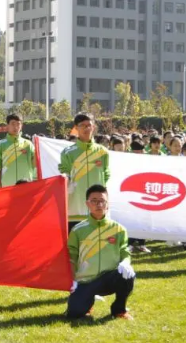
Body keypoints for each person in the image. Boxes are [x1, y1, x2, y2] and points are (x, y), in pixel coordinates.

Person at [66, 185, 135, 320]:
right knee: (73, 314)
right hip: (86, 280)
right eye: (94, 200)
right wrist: (72, 280)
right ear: (87, 204)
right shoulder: (77, 230)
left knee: (127, 276)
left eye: (102, 201)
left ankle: (119, 310)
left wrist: (126, 263)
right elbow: (71, 256)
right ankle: (87, 303)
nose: (99, 204)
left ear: (107, 204)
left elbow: (124, 251)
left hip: (109, 278)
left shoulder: (118, 229)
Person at [59, 113, 110, 224]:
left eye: (89, 125)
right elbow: (64, 175)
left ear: (93, 127)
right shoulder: (68, 153)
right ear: (76, 128)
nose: (87, 128)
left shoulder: (103, 152)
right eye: (83, 125)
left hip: (98, 208)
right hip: (75, 206)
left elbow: (106, 175)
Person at [0, 114, 36, 188]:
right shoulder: (0, 145)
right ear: (7, 126)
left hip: (27, 186)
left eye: (18, 124)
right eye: (12, 124)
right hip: (7, 186)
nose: (16, 127)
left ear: (21, 126)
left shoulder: (28, 144)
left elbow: (35, 165)